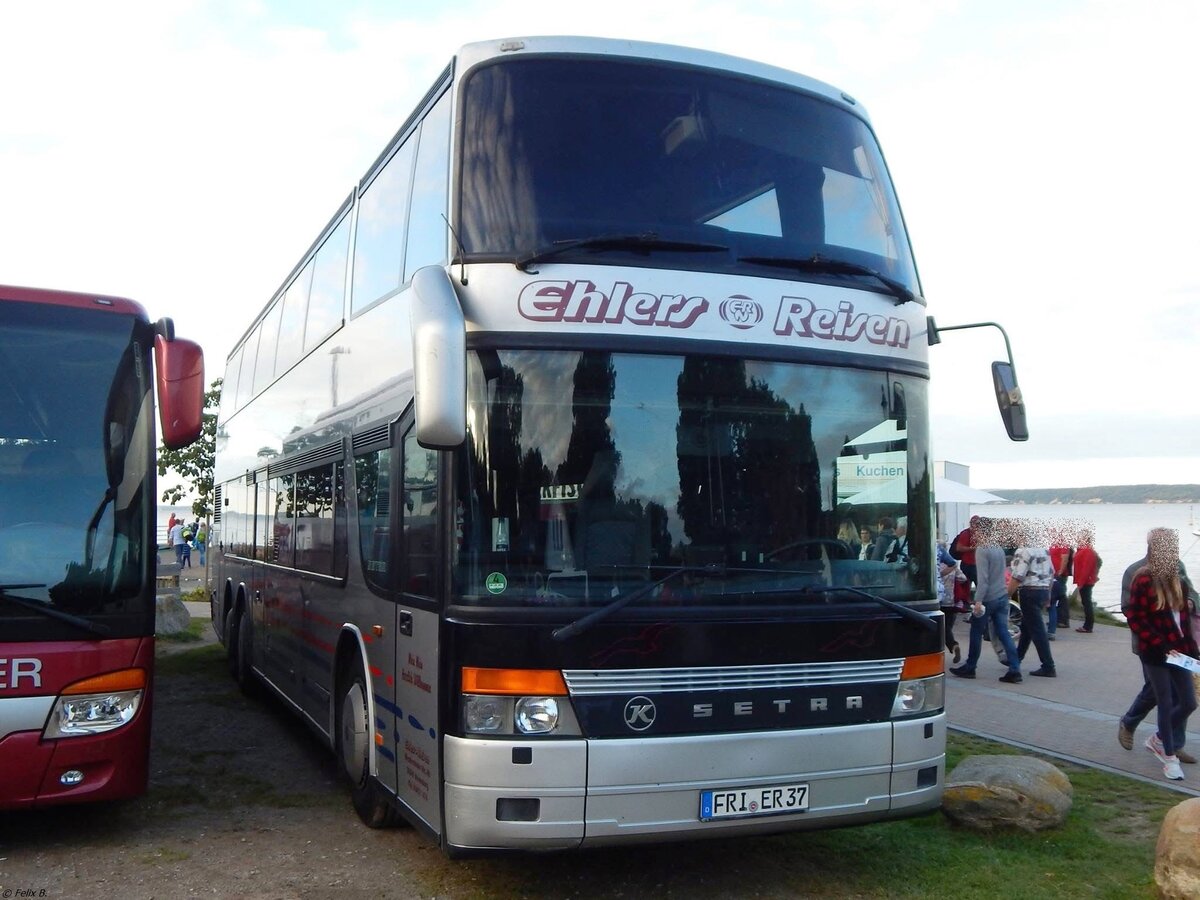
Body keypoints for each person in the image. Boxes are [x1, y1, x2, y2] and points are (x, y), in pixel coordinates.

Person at [1125, 528, 1199, 781]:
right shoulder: (1142, 578)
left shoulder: (1178, 577)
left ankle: (1158, 738)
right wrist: (1159, 644)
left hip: (1180, 650)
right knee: (1165, 701)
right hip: (1156, 651)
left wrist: (1192, 651)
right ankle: (1169, 757)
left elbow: (1182, 620)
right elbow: (1135, 617)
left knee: (1189, 701)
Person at [950, 517, 1022, 683]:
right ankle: (1015, 668)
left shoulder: (982, 550)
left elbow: (983, 579)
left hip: (988, 598)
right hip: (1002, 595)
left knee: (976, 631)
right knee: (1003, 632)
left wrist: (978, 601)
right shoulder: (998, 548)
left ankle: (970, 666)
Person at [1011, 525, 1057, 677]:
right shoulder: (1044, 550)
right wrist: (1048, 595)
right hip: (1043, 590)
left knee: (1037, 630)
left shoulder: (1023, 551)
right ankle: (1016, 658)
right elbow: (1052, 573)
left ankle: (1048, 665)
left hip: (1029, 591)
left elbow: (1018, 576)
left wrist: (1006, 595)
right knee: (1027, 628)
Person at [1073, 529, 1101, 633]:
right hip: (1084, 580)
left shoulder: (1087, 551)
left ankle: (1088, 626)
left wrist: (1081, 583)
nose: (1077, 539)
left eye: (1080, 537)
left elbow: (1086, 568)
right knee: (1086, 602)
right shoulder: (1082, 550)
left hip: (1086, 581)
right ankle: (1087, 624)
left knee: (1086, 602)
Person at [1048, 536, 1073, 633]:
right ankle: (1056, 620)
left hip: (1059, 575)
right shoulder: (1054, 544)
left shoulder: (1063, 544)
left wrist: (1060, 571)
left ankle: (1063, 620)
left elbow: (1065, 558)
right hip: (1053, 574)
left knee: (1061, 596)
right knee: (1054, 597)